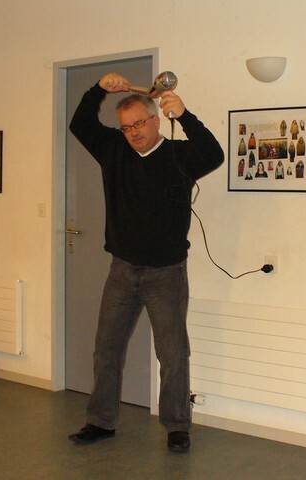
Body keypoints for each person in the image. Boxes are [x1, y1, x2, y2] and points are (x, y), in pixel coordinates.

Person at [67, 72, 224, 453]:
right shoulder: (113, 150)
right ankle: (100, 421)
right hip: (122, 270)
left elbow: (214, 153)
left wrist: (184, 114)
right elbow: (80, 123)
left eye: (139, 123)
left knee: (173, 354)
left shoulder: (179, 156)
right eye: (126, 127)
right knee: (106, 350)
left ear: (156, 119)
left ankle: (177, 426)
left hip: (166, 273)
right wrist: (99, 89)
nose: (133, 132)